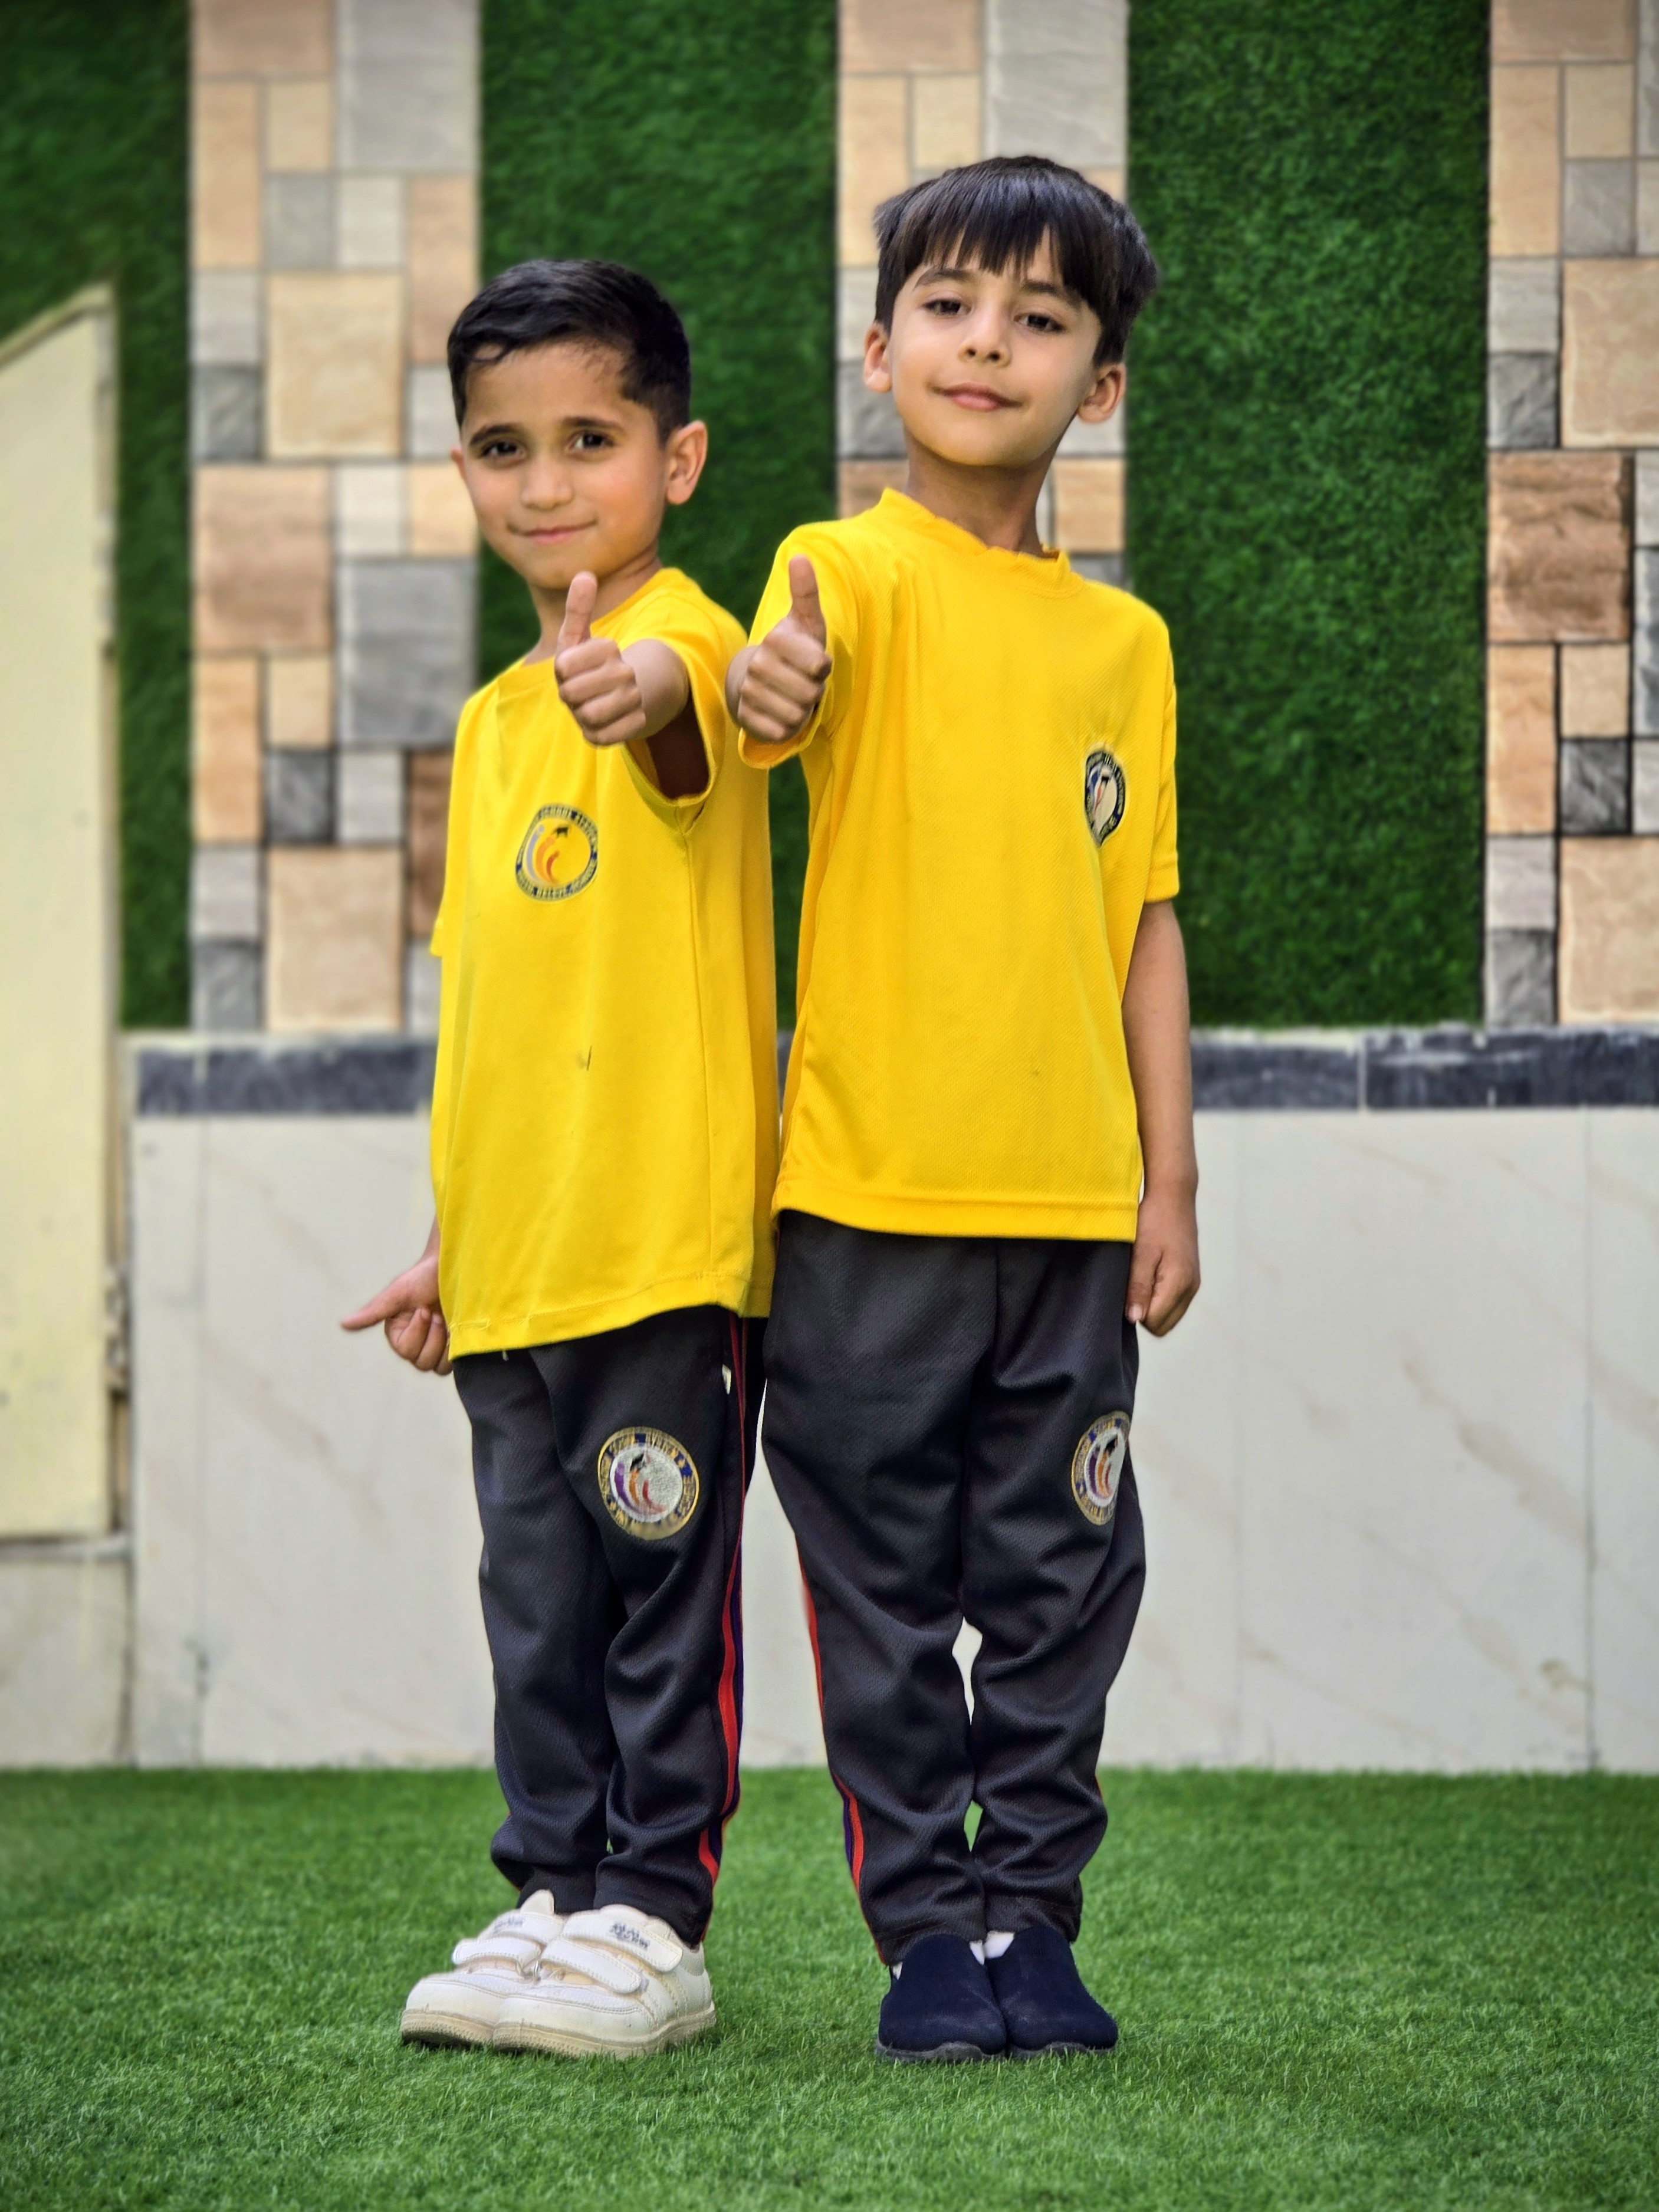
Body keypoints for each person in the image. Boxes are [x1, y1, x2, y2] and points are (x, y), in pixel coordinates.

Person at [727, 157, 1197, 2063]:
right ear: (880, 346)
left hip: (1074, 1215)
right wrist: (762, 686)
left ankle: (1037, 1922)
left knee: (1067, 1576)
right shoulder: (837, 572)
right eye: (948, 303)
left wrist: (1170, 1180)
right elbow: (767, 696)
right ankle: (928, 1930)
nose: (986, 339)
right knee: (887, 1592)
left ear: (1101, 382)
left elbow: (1143, 917)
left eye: (1039, 315)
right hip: (865, 1207)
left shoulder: (1126, 648)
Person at [343, 259, 776, 2061]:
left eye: (590, 440)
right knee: (537, 1607)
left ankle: (655, 1920)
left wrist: (641, 684)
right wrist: (455, 1239)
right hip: (514, 1270)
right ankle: (553, 1895)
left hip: (659, 1253)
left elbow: (681, 710)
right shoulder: (492, 723)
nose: (543, 482)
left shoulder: (698, 647)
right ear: (464, 468)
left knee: (662, 1600)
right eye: (502, 447)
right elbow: (498, 1023)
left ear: (678, 458)